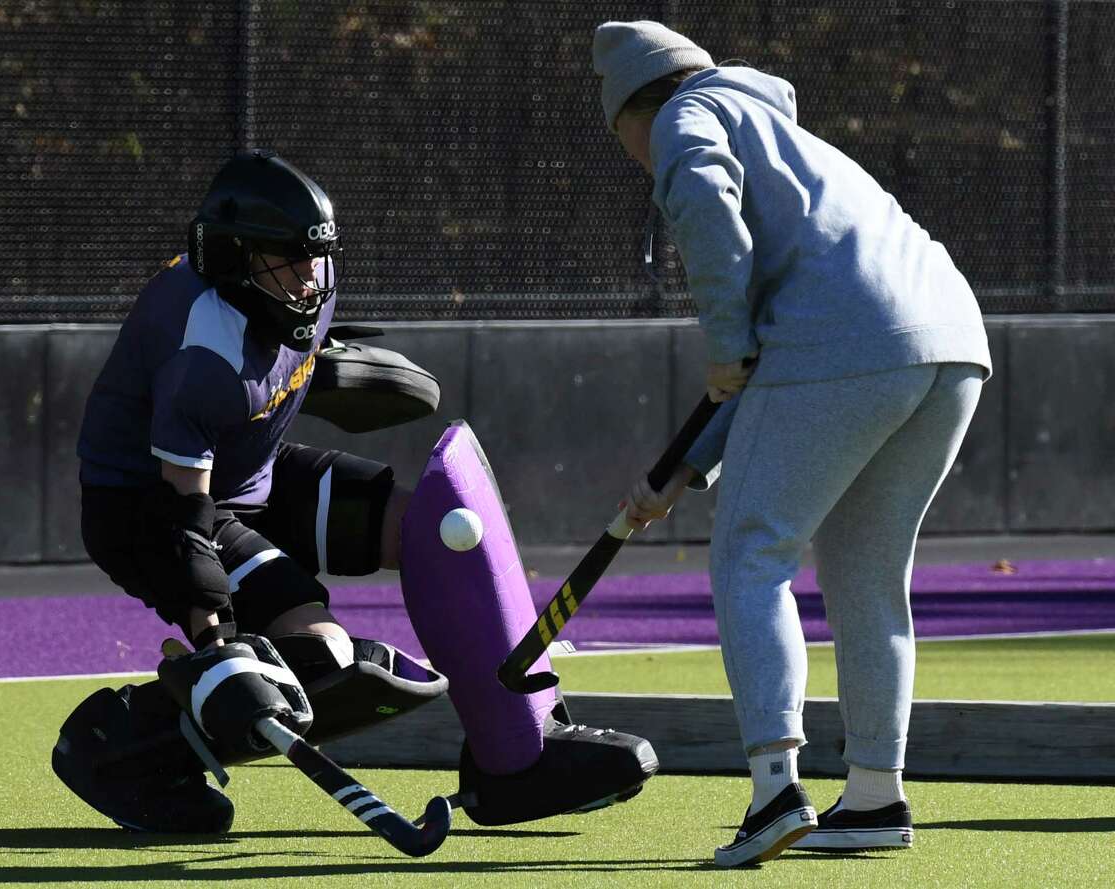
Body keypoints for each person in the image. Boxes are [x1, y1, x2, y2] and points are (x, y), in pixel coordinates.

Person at [53, 148, 657, 833]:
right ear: (234, 257)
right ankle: (121, 752)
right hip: (149, 508)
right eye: (289, 258)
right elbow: (184, 519)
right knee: (319, 662)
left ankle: (520, 755)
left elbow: (278, 356)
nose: (310, 276)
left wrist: (328, 361)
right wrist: (215, 648)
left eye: (317, 255)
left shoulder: (305, 286)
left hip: (254, 472)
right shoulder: (203, 354)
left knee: (440, 530)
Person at [592, 21, 992, 868]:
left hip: (850, 341)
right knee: (866, 571)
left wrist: (723, 337)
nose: (635, 158)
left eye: (621, 137)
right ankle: (875, 795)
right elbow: (774, 372)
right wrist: (684, 469)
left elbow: (714, 230)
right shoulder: (787, 141)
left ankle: (776, 789)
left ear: (634, 110)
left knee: (751, 551)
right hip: (949, 340)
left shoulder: (686, 117)